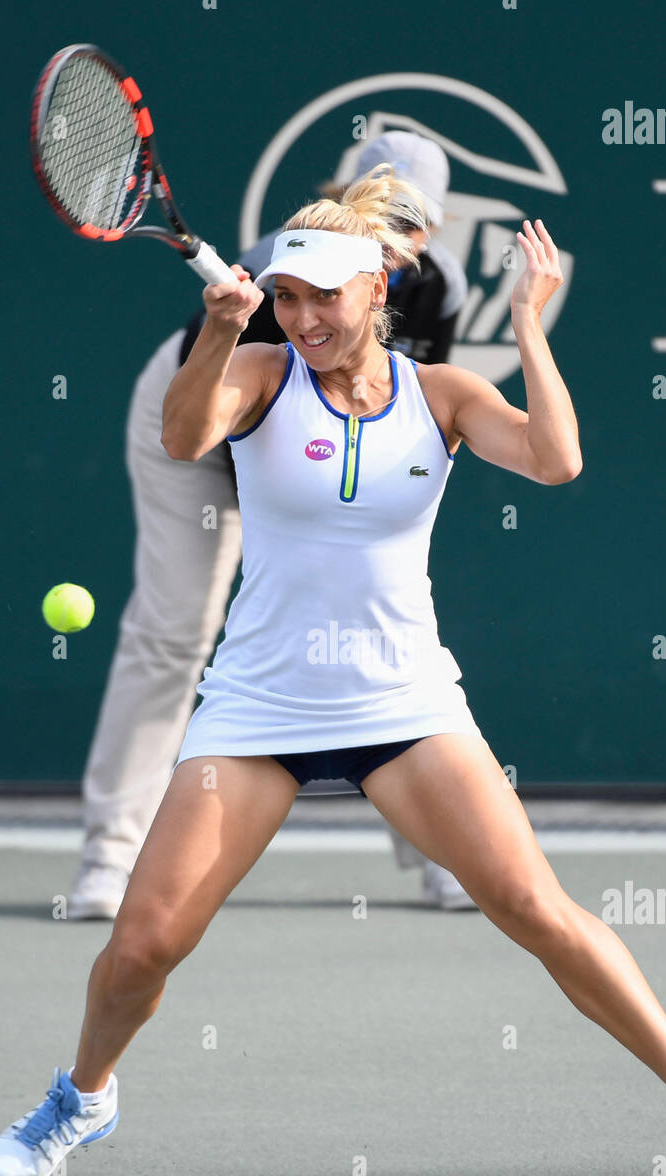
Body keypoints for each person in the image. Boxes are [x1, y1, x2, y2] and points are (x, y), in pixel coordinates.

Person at [0, 165, 666, 1176]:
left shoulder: (440, 395)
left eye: (322, 298)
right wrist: (225, 328)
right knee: (144, 944)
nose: (302, 315)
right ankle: (82, 1098)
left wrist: (530, 328)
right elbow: (184, 436)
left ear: (375, 293)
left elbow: (556, 461)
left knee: (534, 906)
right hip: (260, 710)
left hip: (402, 703)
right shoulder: (262, 371)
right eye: (287, 295)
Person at [72, 132, 477, 920]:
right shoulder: (275, 269)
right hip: (196, 433)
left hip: (318, 457)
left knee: (375, 639)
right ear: (349, 207)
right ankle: (108, 859)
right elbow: (194, 427)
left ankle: (440, 852)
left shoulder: (437, 291)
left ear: (429, 230)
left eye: (413, 220)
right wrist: (233, 325)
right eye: (382, 211)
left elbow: (415, 423)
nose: (399, 235)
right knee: (173, 631)